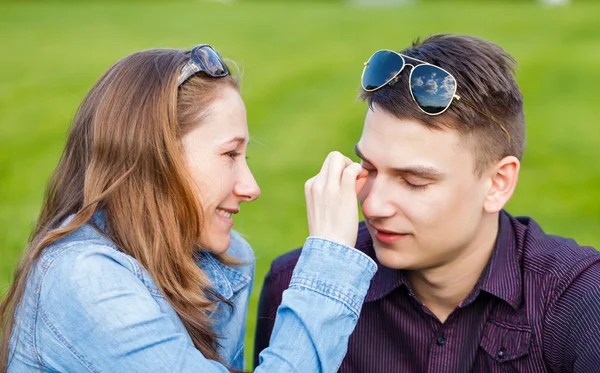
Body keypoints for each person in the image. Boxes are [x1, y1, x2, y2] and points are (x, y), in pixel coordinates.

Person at [0, 44, 377, 372]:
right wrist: (332, 260)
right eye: (230, 153)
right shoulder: (85, 280)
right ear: (155, 159)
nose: (251, 188)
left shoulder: (223, 260)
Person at [254, 34, 600, 372]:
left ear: (498, 183)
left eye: (414, 181)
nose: (373, 206)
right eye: (369, 168)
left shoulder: (577, 299)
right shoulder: (298, 287)